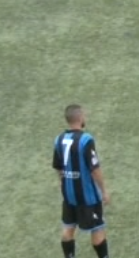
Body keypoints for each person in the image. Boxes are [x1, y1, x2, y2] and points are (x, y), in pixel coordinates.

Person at [53, 104, 111, 258]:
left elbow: (58, 167)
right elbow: (94, 168)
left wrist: (63, 182)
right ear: (80, 118)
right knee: (97, 229)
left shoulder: (58, 140)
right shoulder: (86, 140)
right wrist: (104, 191)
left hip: (69, 195)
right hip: (87, 196)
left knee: (68, 229)